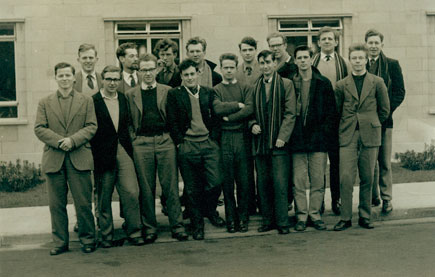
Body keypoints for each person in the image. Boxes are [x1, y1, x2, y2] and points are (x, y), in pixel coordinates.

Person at [34, 62, 97, 255]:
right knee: (56, 204)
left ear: (74, 78)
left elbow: (91, 126)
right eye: (60, 76)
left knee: (83, 203)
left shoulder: (86, 100)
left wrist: (73, 140)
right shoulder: (45, 102)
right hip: (55, 158)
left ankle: (88, 239)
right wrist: (60, 141)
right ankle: (60, 242)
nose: (64, 79)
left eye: (67, 75)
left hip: (79, 156)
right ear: (56, 78)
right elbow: (39, 128)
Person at [125, 54, 188, 243]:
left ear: (157, 70)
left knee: (170, 186)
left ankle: (177, 226)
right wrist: (134, 139)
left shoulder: (168, 91)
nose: (148, 73)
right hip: (142, 143)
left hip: (164, 141)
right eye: (143, 70)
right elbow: (127, 121)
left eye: (151, 69)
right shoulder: (130, 95)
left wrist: (174, 139)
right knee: (146, 188)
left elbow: (176, 117)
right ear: (138, 72)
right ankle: (150, 228)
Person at [333, 43, 390, 231]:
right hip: (348, 135)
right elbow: (337, 110)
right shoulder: (341, 85)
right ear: (349, 61)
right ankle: (345, 217)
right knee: (346, 177)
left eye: (361, 58)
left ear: (366, 60)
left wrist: (371, 122)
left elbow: (384, 110)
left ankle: (365, 216)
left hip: (370, 134)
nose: (357, 61)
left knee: (367, 177)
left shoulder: (377, 82)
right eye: (354, 58)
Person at [166, 59, 223, 240]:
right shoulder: (175, 94)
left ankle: (210, 210)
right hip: (187, 145)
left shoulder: (208, 92)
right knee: (191, 188)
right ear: (181, 77)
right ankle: (197, 225)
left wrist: (213, 138)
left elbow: (216, 117)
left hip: (208, 144)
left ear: (198, 74)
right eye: (186, 75)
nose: (190, 78)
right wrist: (180, 142)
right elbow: (172, 121)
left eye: (192, 74)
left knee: (215, 181)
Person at [90, 65, 145, 248]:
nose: (113, 83)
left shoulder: (123, 98)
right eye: (109, 79)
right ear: (102, 80)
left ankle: (134, 232)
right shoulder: (93, 101)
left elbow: (128, 124)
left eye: (116, 79)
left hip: (123, 150)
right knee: (104, 197)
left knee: (131, 192)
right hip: (103, 154)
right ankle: (106, 236)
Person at [290, 46, 338, 232]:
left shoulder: (323, 83)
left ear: (311, 59)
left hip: (318, 140)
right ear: (295, 61)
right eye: (299, 58)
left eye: (306, 57)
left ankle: (315, 215)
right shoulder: (290, 83)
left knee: (318, 180)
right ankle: (301, 216)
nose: (302, 60)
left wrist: (323, 134)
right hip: (297, 140)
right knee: (299, 181)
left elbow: (331, 113)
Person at [249, 50, 296, 234]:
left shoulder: (286, 84)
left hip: (279, 143)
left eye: (268, 62)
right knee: (263, 184)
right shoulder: (255, 86)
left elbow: (290, 113)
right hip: (261, 143)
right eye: (261, 63)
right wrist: (252, 124)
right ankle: (267, 220)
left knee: (280, 183)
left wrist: (282, 137)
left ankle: (283, 222)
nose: (265, 66)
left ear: (275, 64)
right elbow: (250, 111)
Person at [365, 29, 406, 213]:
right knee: (368, 161)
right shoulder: (360, 64)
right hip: (365, 122)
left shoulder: (392, 65)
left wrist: (386, 112)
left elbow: (399, 92)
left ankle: (387, 199)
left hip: (385, 121)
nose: (373, 46)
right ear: (366, 45)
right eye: (370, 43)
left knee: (384, 162)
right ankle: (372, 197)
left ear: (382, 45)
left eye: (376, 43)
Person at [213, 53, 254, 233]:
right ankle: (231, 219)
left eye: (231, 67)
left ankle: (243, 218)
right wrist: (238, 105)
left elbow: (250, 109)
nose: (229, 70)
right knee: (228, 182)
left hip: (242, 137)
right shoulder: (216, 90)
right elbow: (216, 108)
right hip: (225, 139)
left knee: (244, 181)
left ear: (236, 68)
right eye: (225, 67)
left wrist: (228, 117)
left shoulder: (246, 87)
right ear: (221, 69)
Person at [312, 26, 350, 215]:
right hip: (317, 123)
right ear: (318, 42)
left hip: (337, 121)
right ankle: (318, 203)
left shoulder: (344, 64)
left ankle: (336, 200)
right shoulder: (312, 62)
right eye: (323, 39)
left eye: (330, 39)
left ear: (336, 42)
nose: (327, 41)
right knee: (317, 165)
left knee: (336, 164)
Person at [267, 33, 298, 211]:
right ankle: (277, 202)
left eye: (278, 45)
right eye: (272, 46)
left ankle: (288, 201)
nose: (276, 48)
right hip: (272, 125)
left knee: (289, 167)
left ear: (285, 45)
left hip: (290, 122)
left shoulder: (293, 66)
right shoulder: (269, 66)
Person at [234, 36, 261, 215]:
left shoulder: (263, 68)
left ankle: (264, 202)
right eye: (244, 50)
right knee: (245, 169)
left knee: (262, 167)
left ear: (255, 50)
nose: (248, 53)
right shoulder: (236, 71)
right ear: (240, 51)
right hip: (243, 124)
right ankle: (249, 204)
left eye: (250, 49)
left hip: (261, 122)